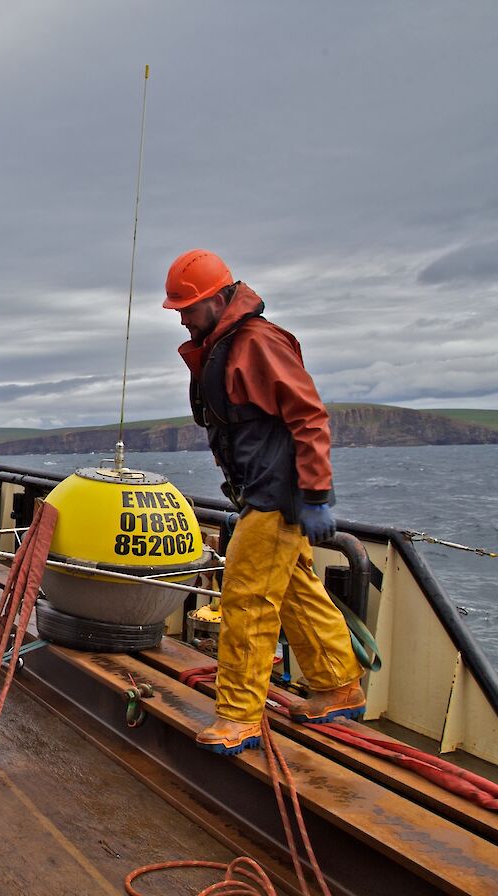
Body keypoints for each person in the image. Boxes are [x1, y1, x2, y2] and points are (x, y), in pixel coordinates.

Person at [163, 249, 365, 755]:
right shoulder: (223, 346)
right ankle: (338, 684)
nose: (182, 319)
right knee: (295, 590)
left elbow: (308, 416)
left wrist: (318, 494)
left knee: (247, 602)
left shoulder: (257, 342)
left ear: (216, 300)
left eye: (187, 308)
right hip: (260, 492)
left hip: (278, 493)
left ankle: (239, 717)